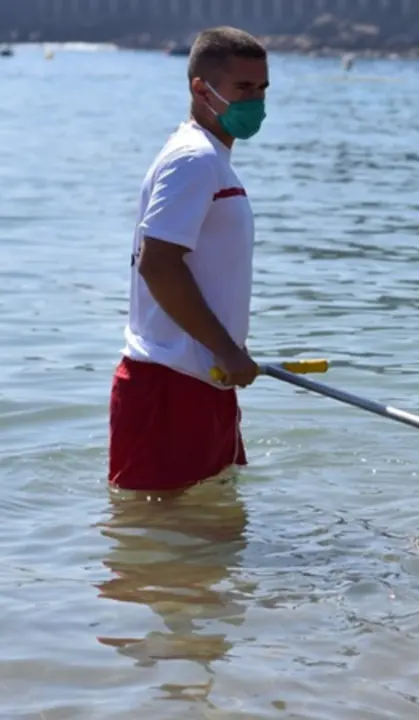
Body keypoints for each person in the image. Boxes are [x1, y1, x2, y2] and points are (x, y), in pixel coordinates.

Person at [108, 26, 270, 493]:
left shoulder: (213, 161)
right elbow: (158, 263)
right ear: (202, 88)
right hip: (168, 384)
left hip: (205, 380)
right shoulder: (193, 159)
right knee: (158, 542)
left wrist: (227, 354)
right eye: (243, 88)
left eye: (261, 89)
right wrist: (226, 349)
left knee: (213, 540)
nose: (255, 101)